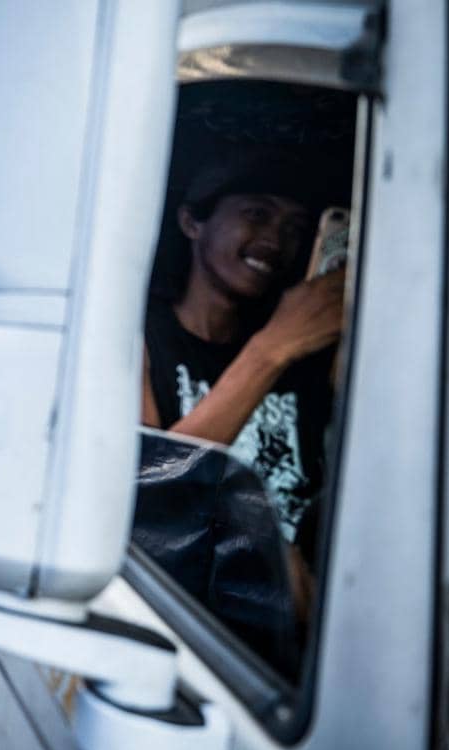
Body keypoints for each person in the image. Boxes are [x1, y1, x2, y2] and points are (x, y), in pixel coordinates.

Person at [134, 148, 347, 675]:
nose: (277, 239)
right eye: (256, 213)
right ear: (192, 221)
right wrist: (271, 351)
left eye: (295, 226)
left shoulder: (307, 345)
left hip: (316, 629)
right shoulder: (139, 337)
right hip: (202, 634)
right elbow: (149, 491)